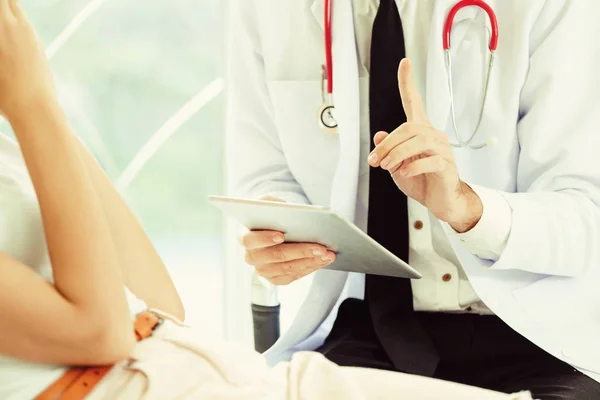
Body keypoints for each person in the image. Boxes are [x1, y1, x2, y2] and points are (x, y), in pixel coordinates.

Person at [0, 1, 535, 399]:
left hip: (240, 376)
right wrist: (32, 102)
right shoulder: (28, 109)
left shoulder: (15, 134)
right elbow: (100, 335)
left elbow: (160, 304)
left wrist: (36, 115)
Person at [230, 0, 600, 399]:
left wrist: (468, 208)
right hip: (379, 325)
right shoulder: (266, 10)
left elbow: (585, 214)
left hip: (541, 331)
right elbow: (268, 173)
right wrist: (284, 232)